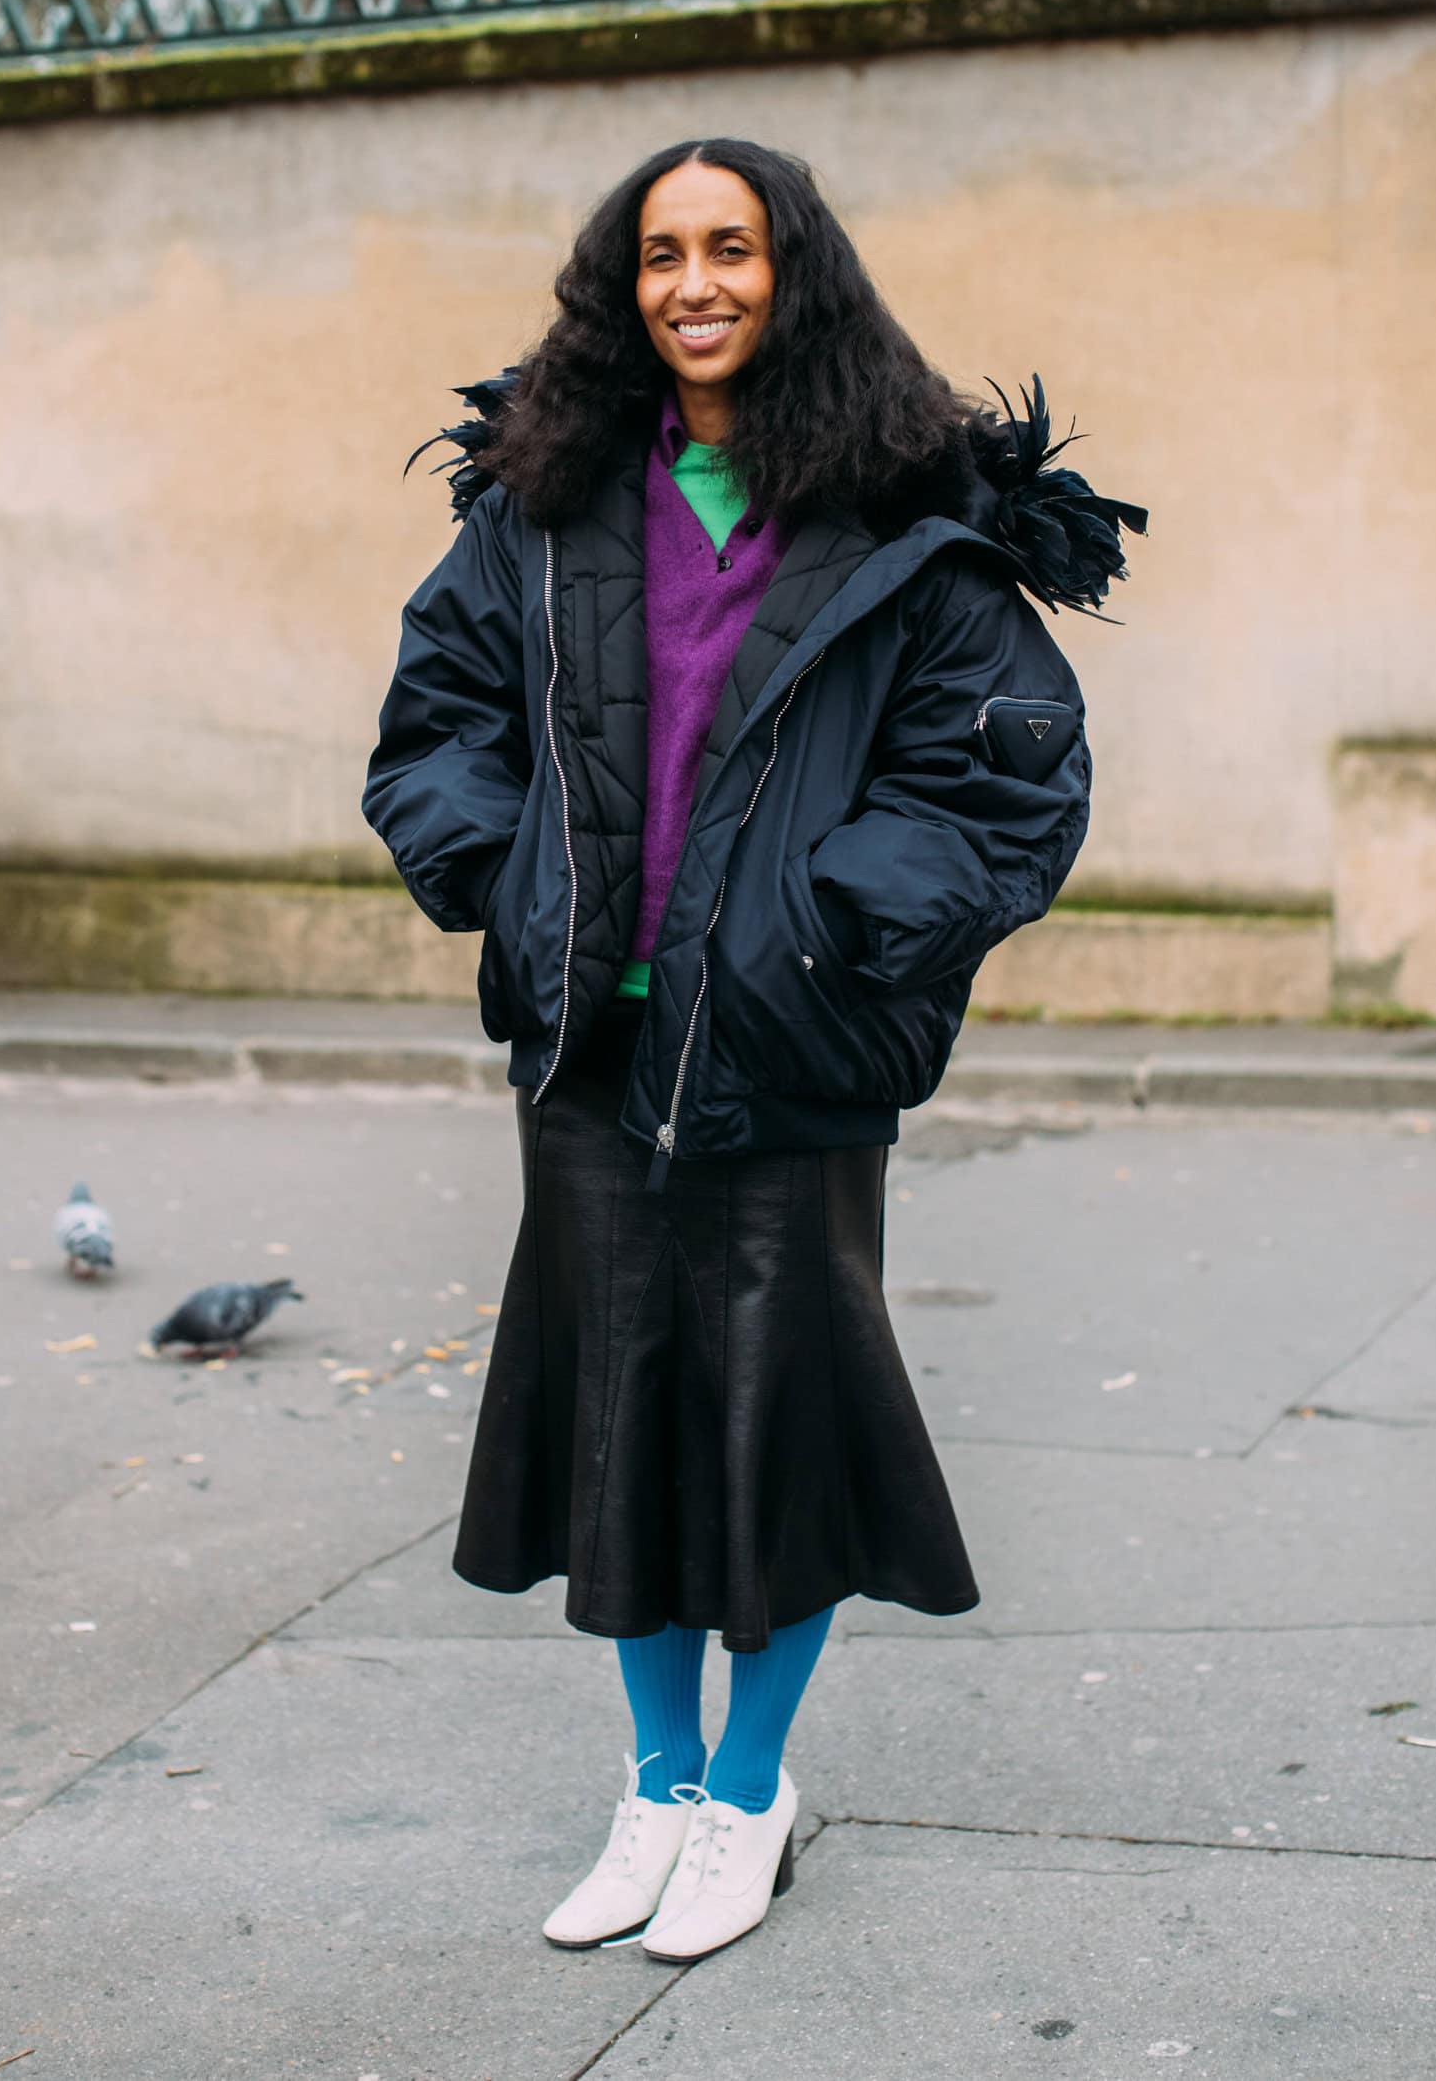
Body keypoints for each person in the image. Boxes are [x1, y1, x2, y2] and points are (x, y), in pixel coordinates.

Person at [363, 136, 1145, 1964]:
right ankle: (655, 1780)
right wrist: (510, 876)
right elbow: (435, 729)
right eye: (659, 253)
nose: (694, 282)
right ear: (620, 286)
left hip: (790, 1062)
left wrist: (825, 934)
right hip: (589, 1052)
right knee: (622, 1427)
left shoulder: (903, 517)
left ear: (795, 275)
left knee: (775, 1432)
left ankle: (748, 1795)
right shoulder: (539, 505)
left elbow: (1005, 764)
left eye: (731, 248)